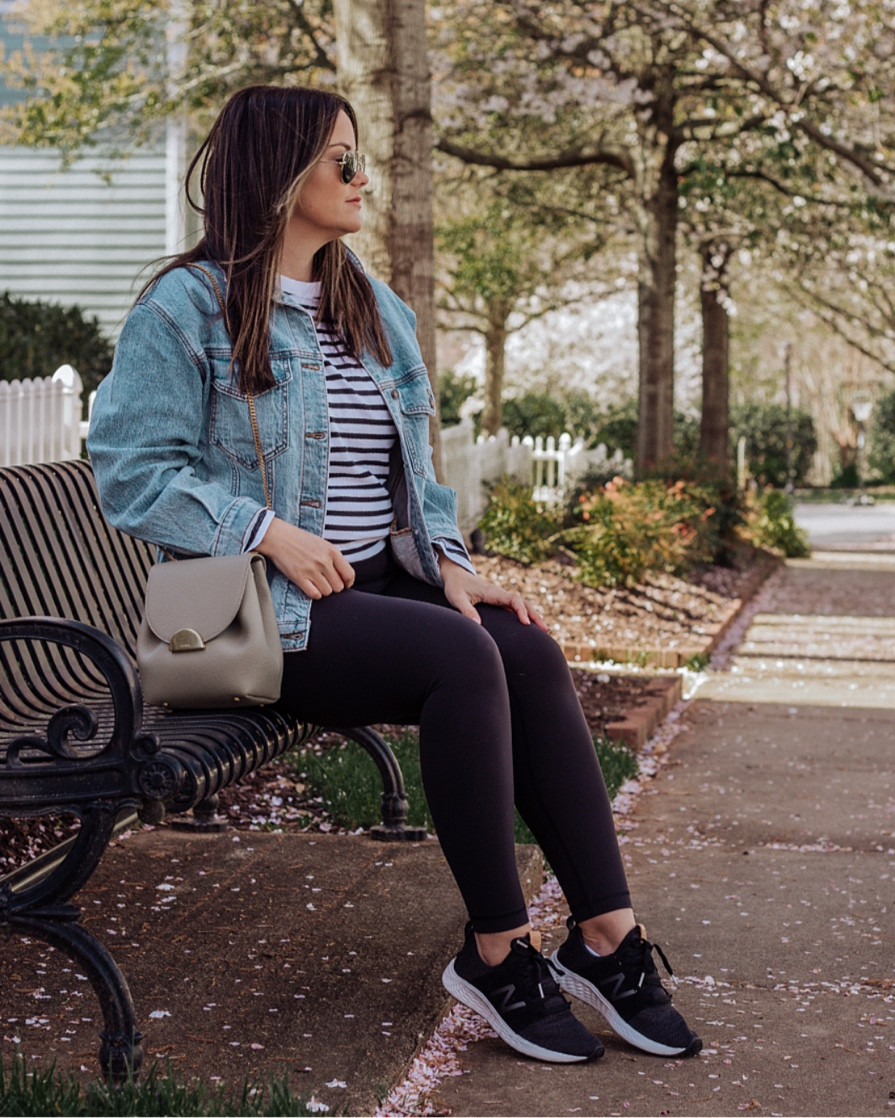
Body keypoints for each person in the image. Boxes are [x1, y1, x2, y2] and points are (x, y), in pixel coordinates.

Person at [87, 84, 701, 1065]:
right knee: (459, 658)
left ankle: (605, 937)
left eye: (359, 156)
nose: (361, 176)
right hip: (253, 620)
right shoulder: (186, 307)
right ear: (280, 174)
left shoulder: (367, 304)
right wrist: (264, 531)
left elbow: (416, 471)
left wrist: (450, 566)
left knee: (523, 647)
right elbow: (129, 473)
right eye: (341, 160)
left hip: (376, 589)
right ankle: (497, 954)